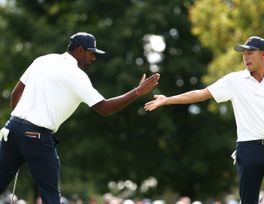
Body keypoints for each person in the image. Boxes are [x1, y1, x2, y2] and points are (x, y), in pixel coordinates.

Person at [0, 32, 160, 204]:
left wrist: (20, 126)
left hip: (11, 129)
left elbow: (15, 94)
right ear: (79, 50)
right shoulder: (76, 75)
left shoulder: (43, 60)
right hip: (37, 135)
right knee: (51, 197)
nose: (93, 58)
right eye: (91, 53)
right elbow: (104, 108)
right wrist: (137, 92)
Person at [144, 36, 264, 204]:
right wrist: (168, 99)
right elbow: (201, 94)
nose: (245, 57)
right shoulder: (234, 81)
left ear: (263, 54)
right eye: (244, 53)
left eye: (250, 52)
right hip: (248, 149)